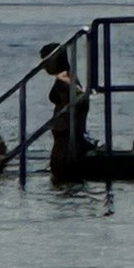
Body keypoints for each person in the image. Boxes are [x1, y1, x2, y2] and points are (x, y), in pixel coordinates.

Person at [41, 44, 90, 182]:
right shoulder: (69, 75)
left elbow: (79, 95)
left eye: (45, 61)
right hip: (65, 137)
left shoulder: (64, 78)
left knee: (61, 182)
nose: (44, 67)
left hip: (66, 139)